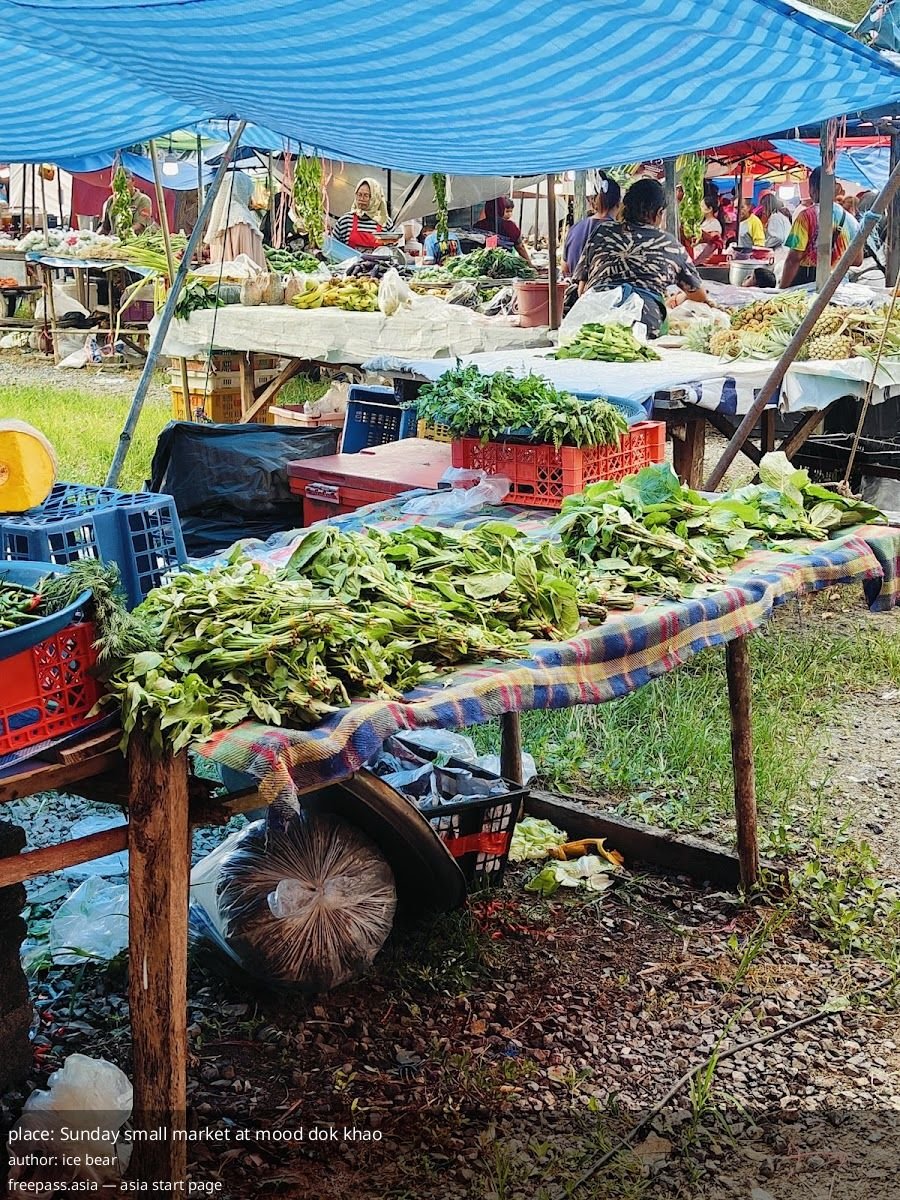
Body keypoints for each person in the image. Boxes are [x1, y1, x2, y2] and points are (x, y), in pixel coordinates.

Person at [572, 177, 711, 338]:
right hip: (644, 325)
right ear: (659, 212)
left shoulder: (602, 232)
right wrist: (681, 296)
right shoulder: (668, 243)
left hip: (593, 322)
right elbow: (699, 295)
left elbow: (582, 289)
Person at [780, 166, 861, 288]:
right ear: (835, 189)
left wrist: (782, 289)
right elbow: (857, 260)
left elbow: (794, 259)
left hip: (807, 286)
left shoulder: (806, 217)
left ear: (812, 189)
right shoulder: (852, 221)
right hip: (838, 286)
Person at [204, 168, 265, 268]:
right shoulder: (242, 219)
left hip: (222, 275)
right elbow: (247, 262)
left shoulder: (218, 219)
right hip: (239, 275)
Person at [563, 172, 621, 274]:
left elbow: (565, 268)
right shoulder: (619, 233)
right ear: (619, 202)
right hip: (603, 284)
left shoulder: (575, 228)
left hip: (574, 282)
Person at [331, 178, 392, 251]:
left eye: (366, 195)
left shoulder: (385, 222)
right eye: (359, 195)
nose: (361, 199)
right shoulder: (345, 221)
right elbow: (332, 248)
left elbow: (392, 251)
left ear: (375, 197)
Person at [474, 197, 535, 267]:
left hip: (482, 265)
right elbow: (520, 248)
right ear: (502, 209)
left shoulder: (478, 225)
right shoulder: (510, 226)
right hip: (505, 265)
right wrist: (530, 265)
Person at [99, 171, 152, 237]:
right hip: (114, 240)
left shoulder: (143, 200)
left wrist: (122, 234)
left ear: (133, 181)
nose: (122, 185)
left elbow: (140, 225)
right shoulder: (111, 200)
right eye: (118, 182)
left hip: (134, 240)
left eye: (125, 180)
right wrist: (95, 237)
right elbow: (105, 228)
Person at [693, 196, 724, 265]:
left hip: (704, 261)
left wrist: (699, 260)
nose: (700, 208)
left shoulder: (715, 224)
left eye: (702, 206)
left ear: (709, 209)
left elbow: (714, 243)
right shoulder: (703, 222)